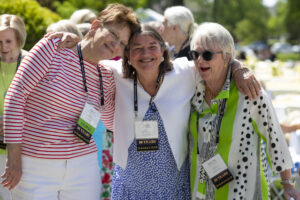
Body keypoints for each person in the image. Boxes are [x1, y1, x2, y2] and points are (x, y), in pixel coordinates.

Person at [49, 24, 261, 199]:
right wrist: (74, 40)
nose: (146, 53)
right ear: (127, 55)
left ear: (163, 50)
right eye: (137, 48)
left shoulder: (184, 72)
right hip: (129, 186)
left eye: (152, 46)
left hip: (174, 185)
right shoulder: (113, 73)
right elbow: (87, 55)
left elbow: (216, 61)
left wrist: (239, 68)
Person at [1, 4, 140, 200]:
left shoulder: (107, 77)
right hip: (35, 164)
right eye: (113, 34)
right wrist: (13, 158)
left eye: (123, 43)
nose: (116, 44)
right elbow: (15, 96)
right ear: (95, 26)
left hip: (84, 167)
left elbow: (111, 123)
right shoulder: (53, 48)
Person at [188, 22, 300, 200]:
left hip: (241, 192)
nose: (200, 60)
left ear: (226, 58)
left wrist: (287, 184)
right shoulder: (191, 88)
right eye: (195, 54)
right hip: (200, 192)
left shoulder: (249, 93)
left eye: (207, 54)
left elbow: (275, 137)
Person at [0, 14, 27, 200]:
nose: (3, 47)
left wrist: (16, 123)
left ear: (19, 40)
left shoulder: (31, 63)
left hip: (25, 149)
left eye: (8, 41)